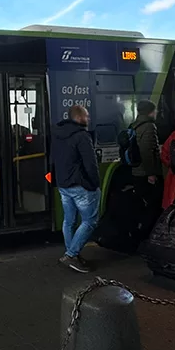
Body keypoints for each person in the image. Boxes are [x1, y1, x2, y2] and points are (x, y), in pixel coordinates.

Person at [50, 105, 100, 273]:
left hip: (63, 185)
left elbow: (53, 159)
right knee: (90, 221)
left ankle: (72, 255)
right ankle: (71, 255)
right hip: (80, 186)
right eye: (87, 116)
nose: (89, 119)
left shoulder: (57, 134)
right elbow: (90, 164)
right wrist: (94, 184)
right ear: (79, 118)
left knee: (69, 221)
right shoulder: (82, 136)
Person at [130, 100, 163, 230]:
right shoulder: (149, 126)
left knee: (141, 203)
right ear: (151, 112)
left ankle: (139, 229)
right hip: (145, 173)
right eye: (155, 110)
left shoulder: (133, 125)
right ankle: (148, 231)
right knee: (152, 204)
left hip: (136, 170)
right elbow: (147, 151)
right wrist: (151, 174)